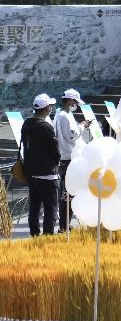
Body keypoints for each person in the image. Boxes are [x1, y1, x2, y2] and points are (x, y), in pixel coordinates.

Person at [23, 94, 61, 237]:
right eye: (50, 106)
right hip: (47, 173)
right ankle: (47, 237)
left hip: (31, 172)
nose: (51, 108)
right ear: (45, 108)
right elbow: (54, 149)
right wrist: (57, 160)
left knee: (34, 207)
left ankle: (34, 235)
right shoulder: (45, 126)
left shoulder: (27, 124)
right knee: (50, 207)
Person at [55, 89, 91, 232]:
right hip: (68, 157)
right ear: (70, 101)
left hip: (65, 156)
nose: (76, 105)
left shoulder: (60, 113)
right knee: (68, 194)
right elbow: (71, 136)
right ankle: (64, 227)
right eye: (75, 102)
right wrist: (82, 126)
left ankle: (65, 225)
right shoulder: (64, 116)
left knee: (67, 193)